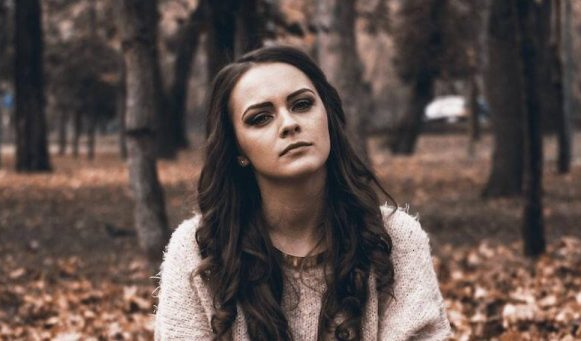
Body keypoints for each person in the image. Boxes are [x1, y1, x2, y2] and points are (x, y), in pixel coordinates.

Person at [154, 46, 450, 341]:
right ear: (237, 149)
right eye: (260, 118)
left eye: (302, 104)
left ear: (328, 116)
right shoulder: (198, 251)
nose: (289, 124)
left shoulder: (395, 239)